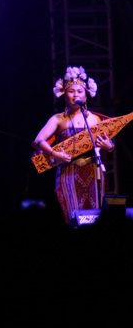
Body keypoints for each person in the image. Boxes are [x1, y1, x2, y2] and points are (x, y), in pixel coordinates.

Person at [33, 66, 115, 222]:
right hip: (68, 170)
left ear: (86, 95)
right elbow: (38, 141)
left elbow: (110, 145)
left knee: (95, 215)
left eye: (79, 91)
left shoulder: (94, 119)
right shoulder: (59, 119)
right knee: (72, 215)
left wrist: (108, 146)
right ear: (64, 95)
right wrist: (54, 154)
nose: (75, 94)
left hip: (93, 170)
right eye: (71, 91)